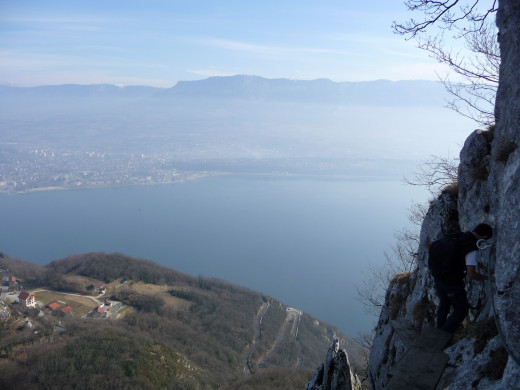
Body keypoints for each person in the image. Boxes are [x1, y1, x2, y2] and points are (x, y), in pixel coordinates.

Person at [434, 223, 493, 333]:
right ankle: (442, 335)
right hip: (451, 283)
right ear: (484, 237)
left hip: (438, 276)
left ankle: (438, 330)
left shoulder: (461, 236)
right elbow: (472, 275)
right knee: (461, 310)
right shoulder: (472, 248)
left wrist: (481, 266)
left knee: (444, 303)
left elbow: (465, 256)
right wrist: (488, 277)